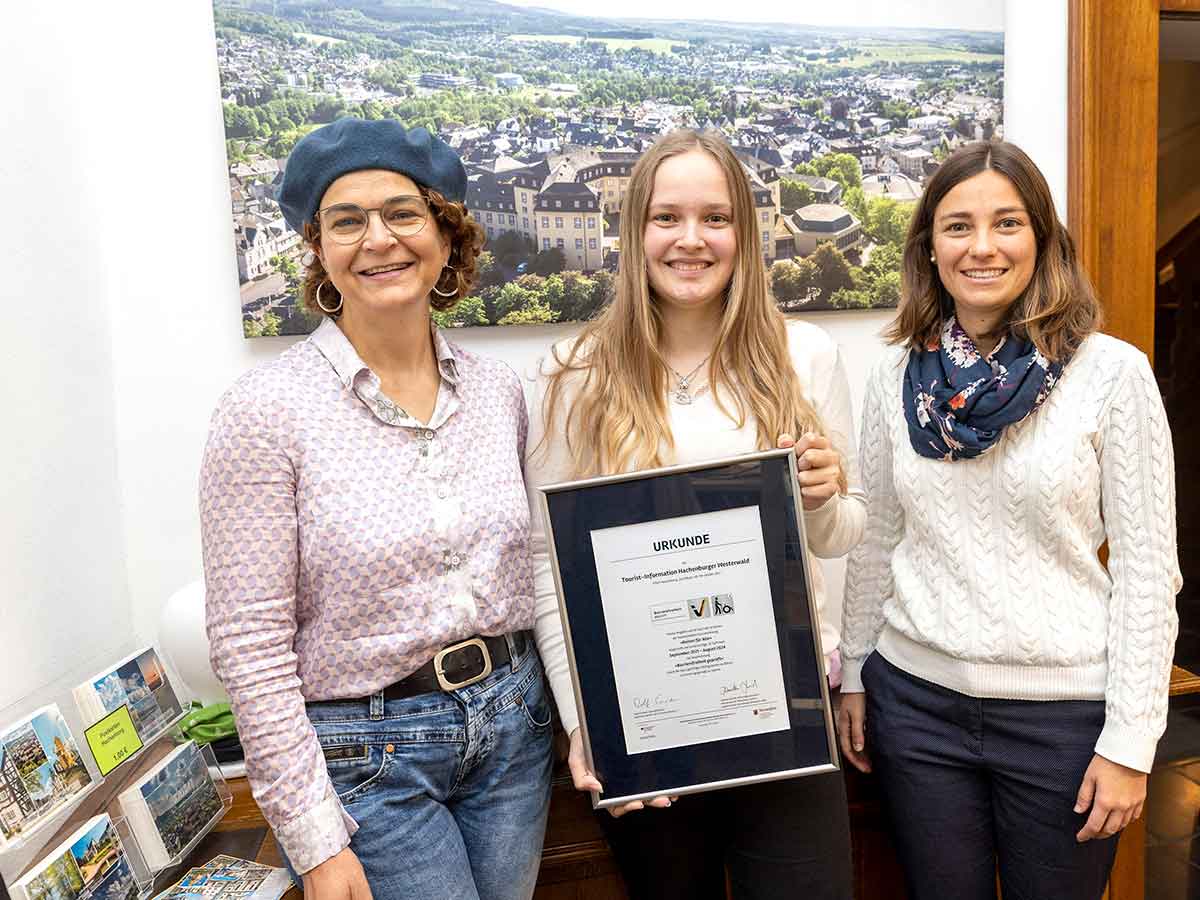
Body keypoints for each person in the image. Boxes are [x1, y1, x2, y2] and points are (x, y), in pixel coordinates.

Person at [200, 117, 553, 900]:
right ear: (318, 247)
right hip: (365, 760)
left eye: (402, 213)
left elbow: (536, 567)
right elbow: (248, 644)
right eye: (346, 220)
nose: (378, 240)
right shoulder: (265, 412)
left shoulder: (500, 393)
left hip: (514, 731)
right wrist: (314, 840)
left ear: (444, 233)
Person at [525, 129, 864, 900]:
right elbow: (550, 569)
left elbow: (844, 534)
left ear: (745, 231)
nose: (690, 239)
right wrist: (588, 721)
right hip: (648, 736)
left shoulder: (803, 354)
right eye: (665, 217)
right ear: (633, 231)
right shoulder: (571, 373)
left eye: (715, 217)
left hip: (785, 714)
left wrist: (823, 497)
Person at [838, 140, 1181, 900]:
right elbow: (877, 536)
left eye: (1007, 223)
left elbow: (1149, 570)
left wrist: (1131, 739)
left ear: (1043, 239)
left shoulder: (1111, 373)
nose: (982, 247)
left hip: (1062, 723)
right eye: (958, 226)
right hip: (915, 707)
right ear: (930, 246)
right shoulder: (896, 373)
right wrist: (858, 673)